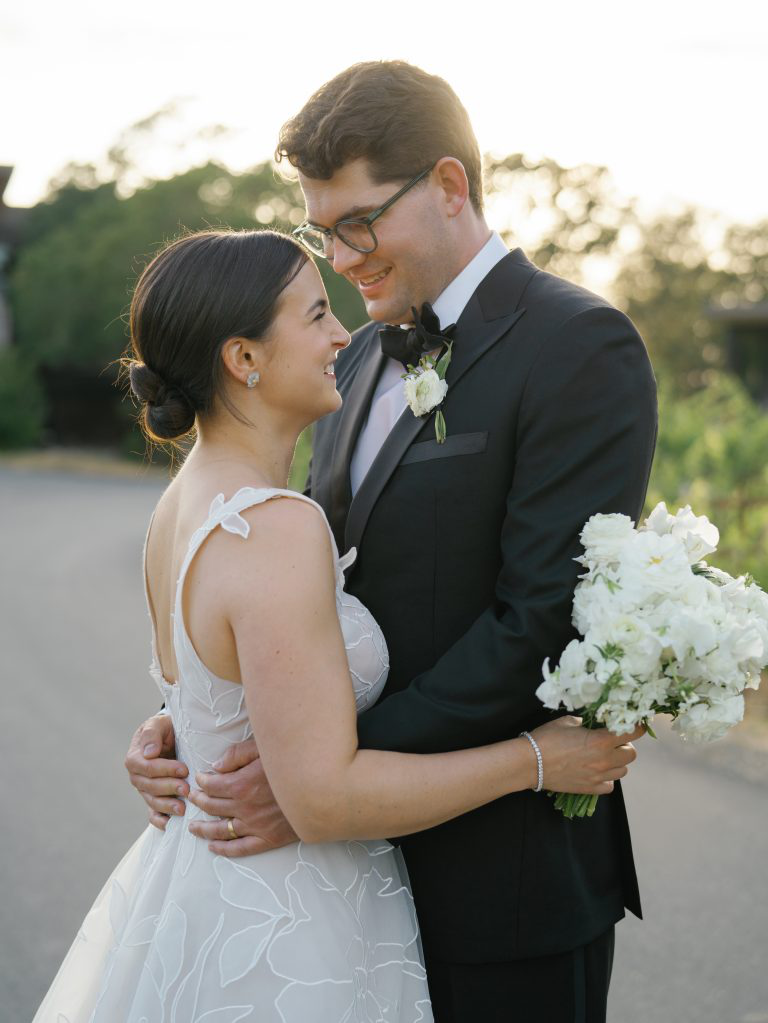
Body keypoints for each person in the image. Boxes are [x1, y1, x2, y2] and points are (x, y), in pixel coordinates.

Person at [126, 62, 657, 1022]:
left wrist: (317, 770)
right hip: (343, 881)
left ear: (450, 187)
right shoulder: (358, 355)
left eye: (359, 223)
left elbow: (538, 618)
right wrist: (210, 724)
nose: (341, 257)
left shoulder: (582, 345)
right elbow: (286, 588)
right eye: (321, 231)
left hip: (507, 886)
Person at [34, 228, 639, 1023]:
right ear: (244, 359)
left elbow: (228, 675)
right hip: (288, 923)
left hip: (209, 887)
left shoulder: (182, 503)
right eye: (316, 312)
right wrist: (535, 758)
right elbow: (320, 800)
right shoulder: (275, 525)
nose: (343, 334)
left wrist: (180, 728)